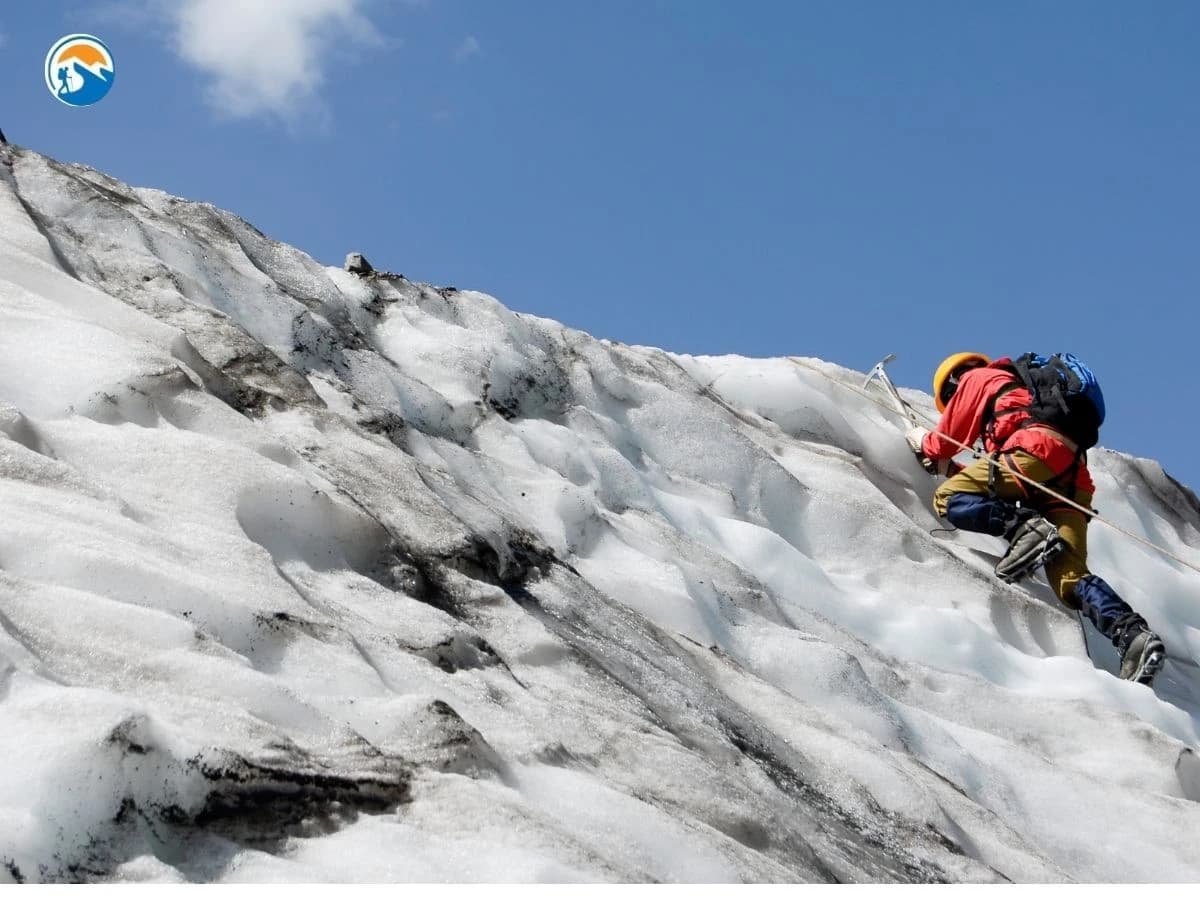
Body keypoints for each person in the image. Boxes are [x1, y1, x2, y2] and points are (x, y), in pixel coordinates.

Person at [905, 352, 1167, 685]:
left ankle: (1027, 532)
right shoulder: (1025, 396)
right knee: (1068, 577)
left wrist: (924, 444)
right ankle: (1133, 636)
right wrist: (952, 469)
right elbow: (999, 480)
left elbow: (943, 443)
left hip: (1034, 453)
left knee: (948, 498)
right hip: (1071, 478)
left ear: (953, 382)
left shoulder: (978, 378)